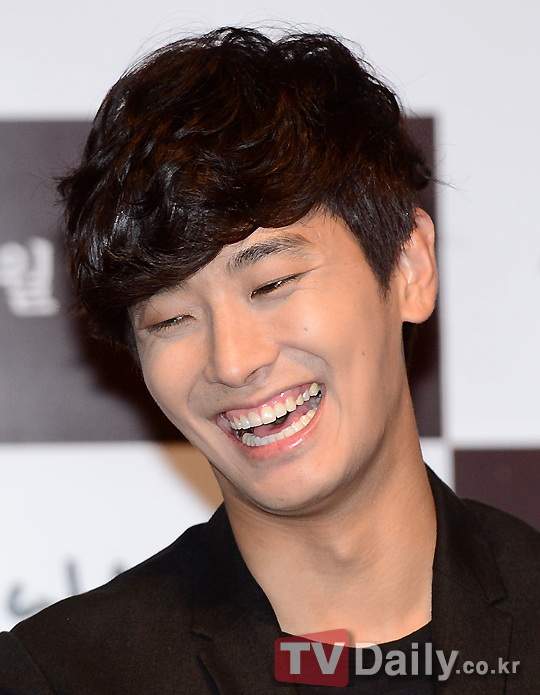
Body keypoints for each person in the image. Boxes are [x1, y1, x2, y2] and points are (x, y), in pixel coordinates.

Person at [0, 26, 539, 695]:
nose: (233, 361)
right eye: (171, 319)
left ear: (410, 266)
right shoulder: (63, 677)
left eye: (272, 283)